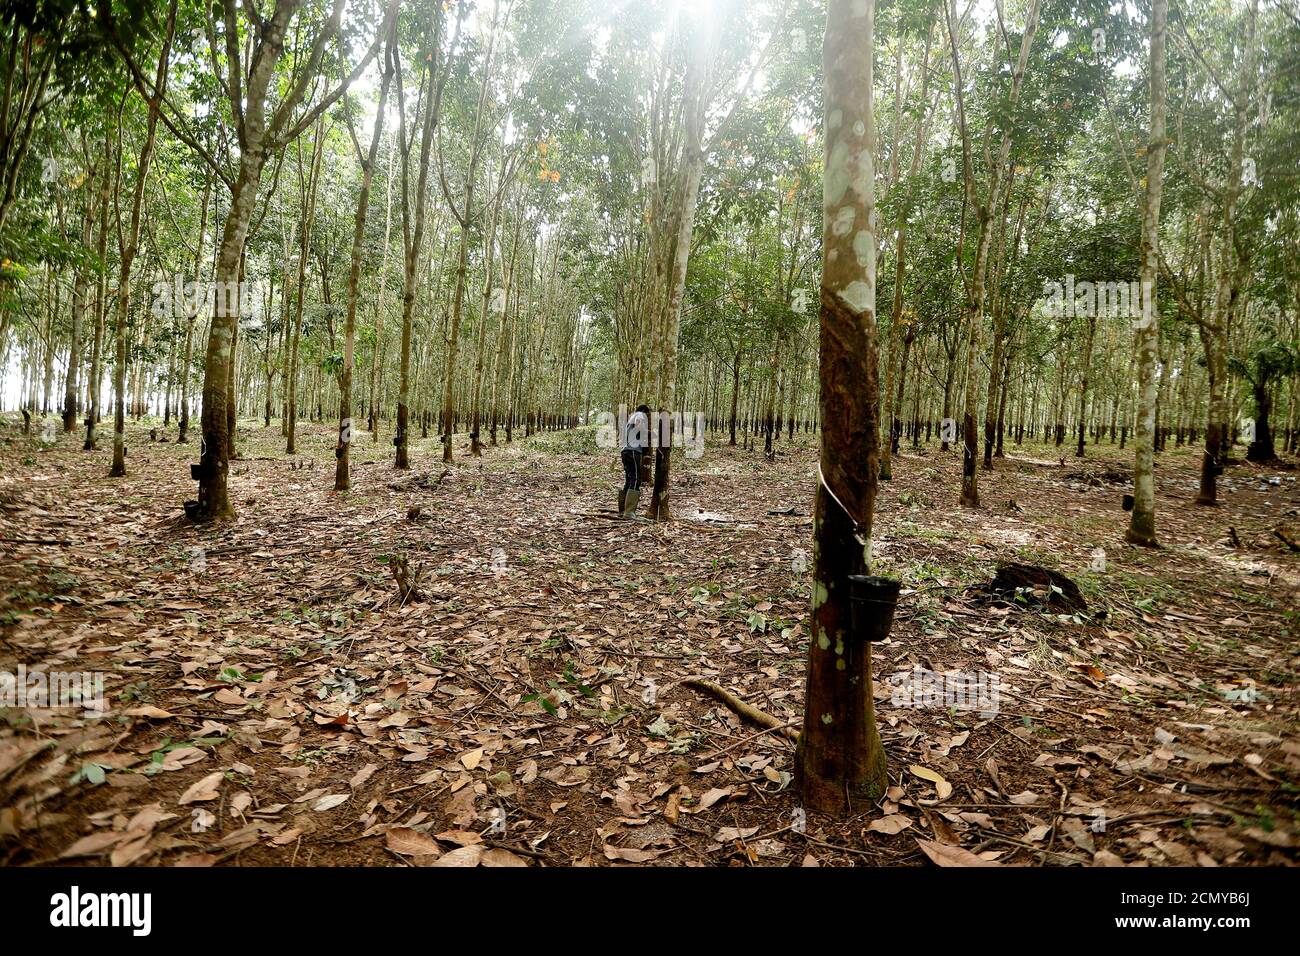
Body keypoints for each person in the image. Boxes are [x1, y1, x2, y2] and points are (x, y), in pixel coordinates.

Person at [620, 404, 651, 518]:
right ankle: (629, 512)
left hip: (625, 451)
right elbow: (639, 426)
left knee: (629, 479)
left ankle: (622, 510)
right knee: (636, 478)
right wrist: (650, 433)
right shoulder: (639, 414)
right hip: (633, 451)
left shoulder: (630, 419)